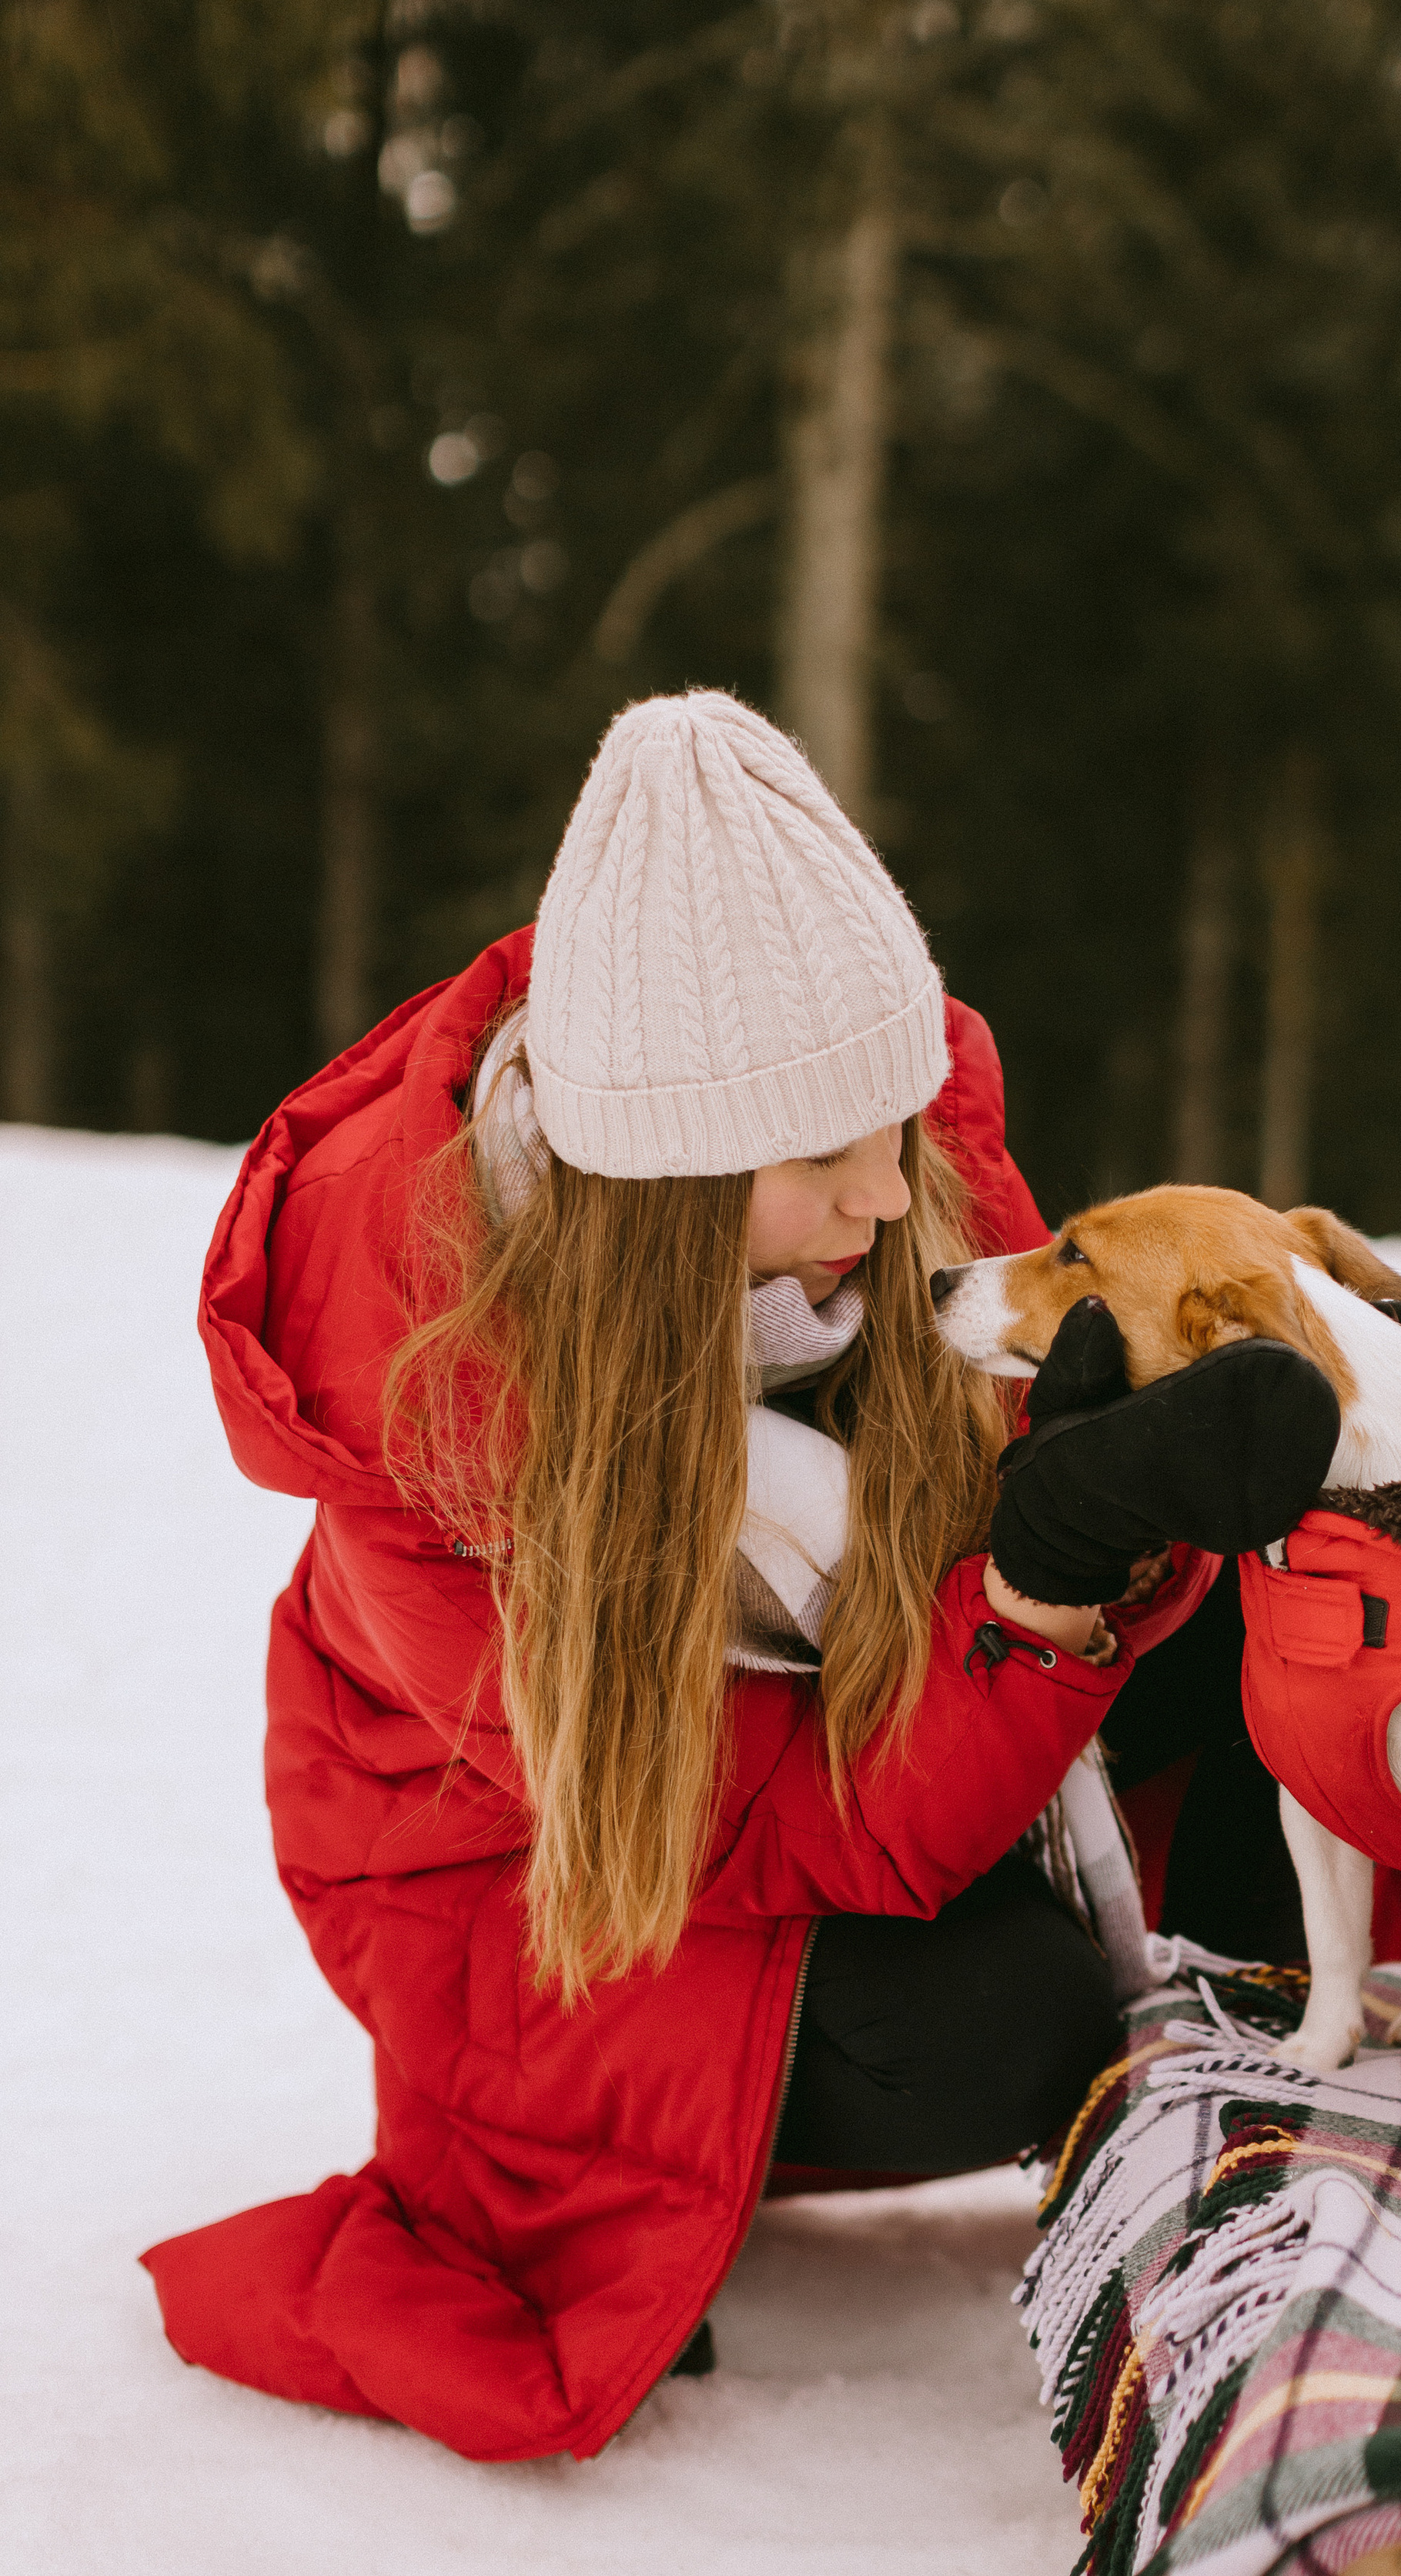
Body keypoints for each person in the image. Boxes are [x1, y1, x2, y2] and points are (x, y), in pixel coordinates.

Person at [142, 691, 1219, 2465]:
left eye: (893, 1132)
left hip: (809, 1752)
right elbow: (784, 1825)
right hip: (547, 1891)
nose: (892, 1198)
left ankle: (1310, 2063)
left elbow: (1026, 1473)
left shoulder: (878, 1152)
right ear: (667, 1186)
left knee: (1244, 1622)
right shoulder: (427, 1410)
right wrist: (1042, 1595)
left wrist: (1138, 1497)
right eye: (825, 1163)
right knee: (1012, 2021)